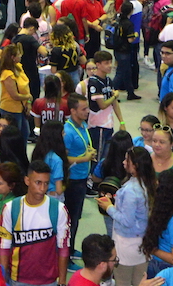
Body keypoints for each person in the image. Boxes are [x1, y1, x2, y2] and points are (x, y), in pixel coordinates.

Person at [0, 160, 69, 286]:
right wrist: (2, 279)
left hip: (49, 280)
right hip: (18, 279)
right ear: (27, 181)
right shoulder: (11, 209)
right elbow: (4, 247)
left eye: (46, 184)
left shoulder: (58, 209)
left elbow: (63, 248)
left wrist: (62, 282)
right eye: (38, 183)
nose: (42, 189)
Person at [97, 147, 155, 286]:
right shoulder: (148, 184)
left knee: (122, 281)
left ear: (135, 166)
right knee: (139, 280)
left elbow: (126, 221)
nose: (123, 162)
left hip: (126, 244)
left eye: (127, 160)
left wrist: (109, 207)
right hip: (141, 242)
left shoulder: (131, 191)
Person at [62, 93, 95, 261]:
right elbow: (64, 158)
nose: (88, 111)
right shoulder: (68, 132)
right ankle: (65, 256)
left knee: (76, 218)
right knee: (70, 219)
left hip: (82, 178)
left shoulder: (82, 126)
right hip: (73, 181)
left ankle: (71, 248)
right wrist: (84, 158)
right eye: (84, 109)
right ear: (73, 111)